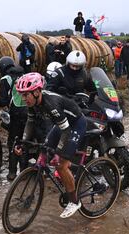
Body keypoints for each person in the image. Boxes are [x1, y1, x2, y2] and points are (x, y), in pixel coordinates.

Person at [15, 72, 86, 218]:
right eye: (21, 94)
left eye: (26, 94)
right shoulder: (33, 103)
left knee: (60, 164)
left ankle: (74, 201)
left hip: (75, 124)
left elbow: (66, 130)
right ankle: (71, 170)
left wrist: (59, 153)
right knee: (45, 150)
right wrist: (23, 143)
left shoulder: (50, 104)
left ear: (36, 92)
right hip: (61, 125)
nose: (23, 98)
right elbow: (30, 123)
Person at [0, 56, 28, 180]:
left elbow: (4, 100)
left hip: (16, 114)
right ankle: (25, 171)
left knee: (13, 141)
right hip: (29, 112)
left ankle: (12, 172)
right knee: (25, 140)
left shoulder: (5, 79)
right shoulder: (24, 75)